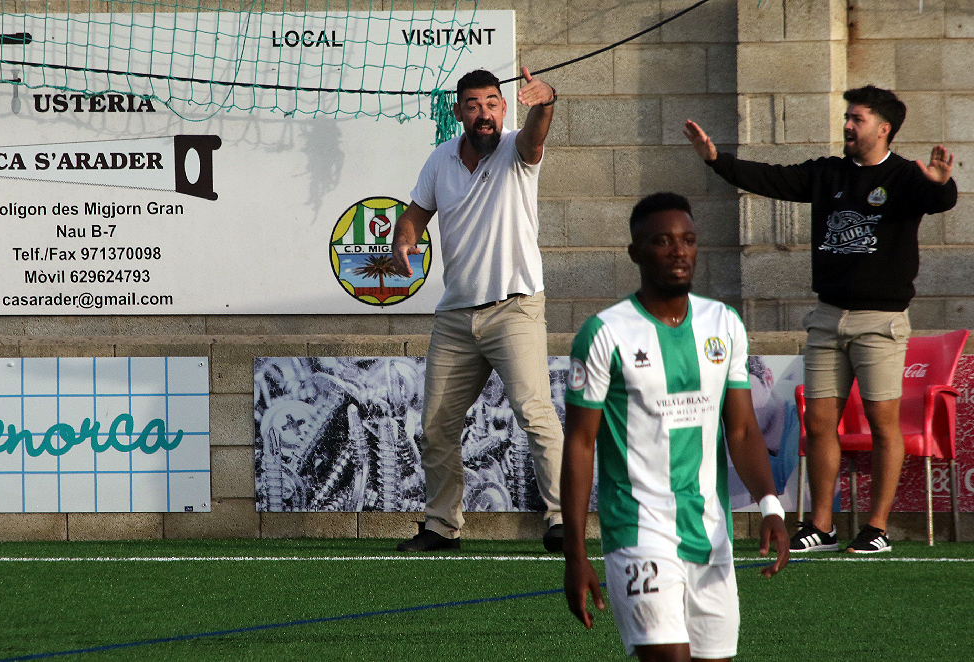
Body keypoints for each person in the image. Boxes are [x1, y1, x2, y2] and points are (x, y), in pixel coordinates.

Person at [683, 85, 958, 554]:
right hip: (828, 317)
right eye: (847, 117)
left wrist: (940, 184)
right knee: (819, 423)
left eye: (857, 119)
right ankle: (821, 525)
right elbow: (771, 179)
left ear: (883, 128)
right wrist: (715, 160)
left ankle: (876, 528)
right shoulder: (828, 172)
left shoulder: (905, 176)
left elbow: (940, 200)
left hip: (881, 320)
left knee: (882, 424)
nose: (847, 125)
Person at [562, 192, 789, 661]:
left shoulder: (723, 323)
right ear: (636, 252)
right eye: (663, 241)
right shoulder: (604, 333)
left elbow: (742, 430)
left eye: (687, 240)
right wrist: (575, 554)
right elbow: (580, 444)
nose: (679, 251)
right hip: (638, 529)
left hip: (710, 532)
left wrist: (771, 505)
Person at [391, 67, 564, 552]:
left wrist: (547, 100)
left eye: (491, 103)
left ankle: (562, 521)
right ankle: (441, 526)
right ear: (459, 113)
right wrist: (404, 238)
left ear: (504, 109)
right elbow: (415, 214)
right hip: (456, 318)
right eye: (473, 105)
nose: (484, 114)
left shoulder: (516, 150)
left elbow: (536, 135)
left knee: (535, 413)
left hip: (515, 308)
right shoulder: (440, 159)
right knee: (436, 426)